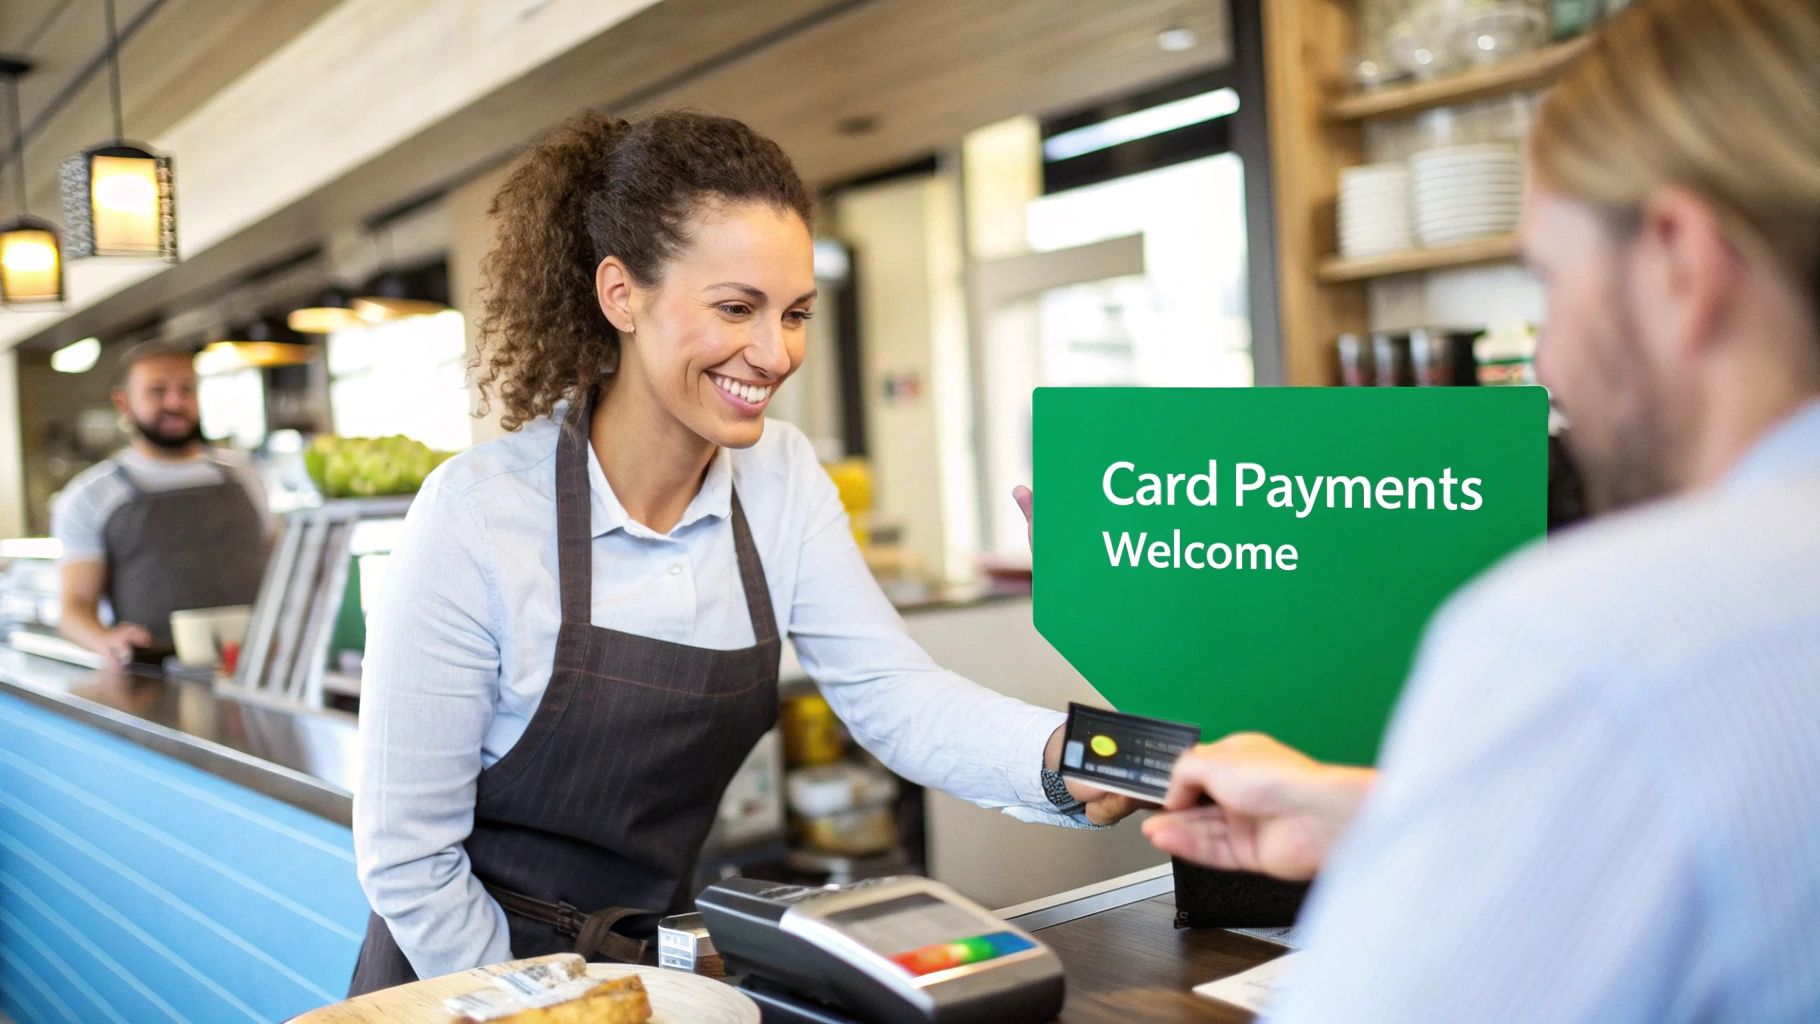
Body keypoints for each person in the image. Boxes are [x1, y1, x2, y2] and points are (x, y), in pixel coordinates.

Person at [347, 110, 1138, 994]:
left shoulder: (784, 479)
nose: (774, 353)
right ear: (622, 295)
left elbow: (894, 696)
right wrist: (554, 1010)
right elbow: (408, 859)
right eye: (736, 308)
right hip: (464, 986)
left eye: (796, 313)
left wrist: (1071, 757)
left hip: (652, 979)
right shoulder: (478, 516)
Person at [1139, 0, 1820, 1019]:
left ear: (1678, 255)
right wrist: (1404, 821)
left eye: (1549, 280)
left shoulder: (1590, 633)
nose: (1543, 359)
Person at [52, 341, 271, 665]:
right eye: (158, 391)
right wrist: (106, 640)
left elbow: (282, 568)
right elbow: (74, 610)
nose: (175, 401)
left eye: (186, 389)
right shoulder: (91, 496)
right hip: (155, 677)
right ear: (123, 402)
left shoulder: (246, 476)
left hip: (257, 665)